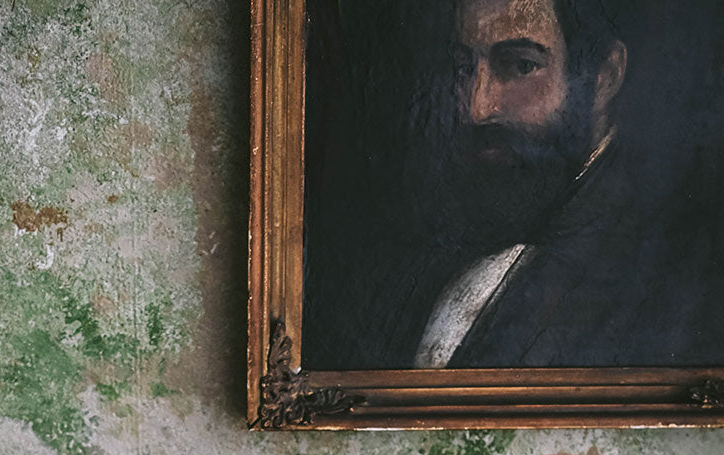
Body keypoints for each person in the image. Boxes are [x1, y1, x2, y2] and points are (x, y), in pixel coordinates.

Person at [304, 0, 724, 370]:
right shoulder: (448, 224)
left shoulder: (675, 272)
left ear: (604, 76)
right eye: (463, 68)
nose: (477, 106)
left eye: (521, 66)